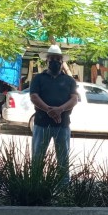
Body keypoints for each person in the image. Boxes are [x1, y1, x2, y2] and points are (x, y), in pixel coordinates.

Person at [29, 45, 79, 178]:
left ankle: (63, 192)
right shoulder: (38, 78)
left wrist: (60, 109)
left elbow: (74, 99)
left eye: (58, 59)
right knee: (37, 159)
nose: (55, 61)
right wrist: (49, 110)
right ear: (47, 60)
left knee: (63, 161)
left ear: (62, 61)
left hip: (62, 126)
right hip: (41, 124)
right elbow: (34, 97)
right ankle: (35, 187)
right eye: (52, 59)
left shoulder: (69, 80)